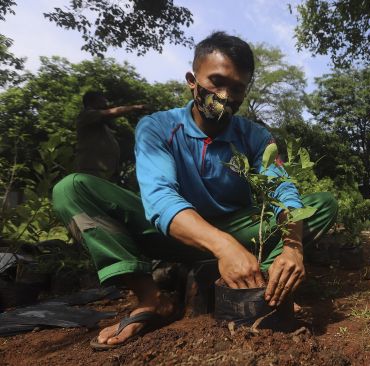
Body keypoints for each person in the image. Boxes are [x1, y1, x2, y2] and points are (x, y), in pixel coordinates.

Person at [52, 32, 338, 349]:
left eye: (238, 88)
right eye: (216, 81)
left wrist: (293, 247)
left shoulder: (255, 136)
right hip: (170, 233)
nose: (226, 95)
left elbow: (283, 191)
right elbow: (160, 199)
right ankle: (151, 297)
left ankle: (266, 288)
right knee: (73, 189)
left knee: (320, 205)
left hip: (238, 231)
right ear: (192, 80)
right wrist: (223, 246)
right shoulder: (157, 127)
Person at [75, 91, 148, 181]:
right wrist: (136, 107)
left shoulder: (100, 125)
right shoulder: (87, 115)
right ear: (93, 101)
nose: (106, 103)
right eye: (102, 100)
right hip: (92, 171)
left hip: (104, 172)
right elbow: (112, 112)